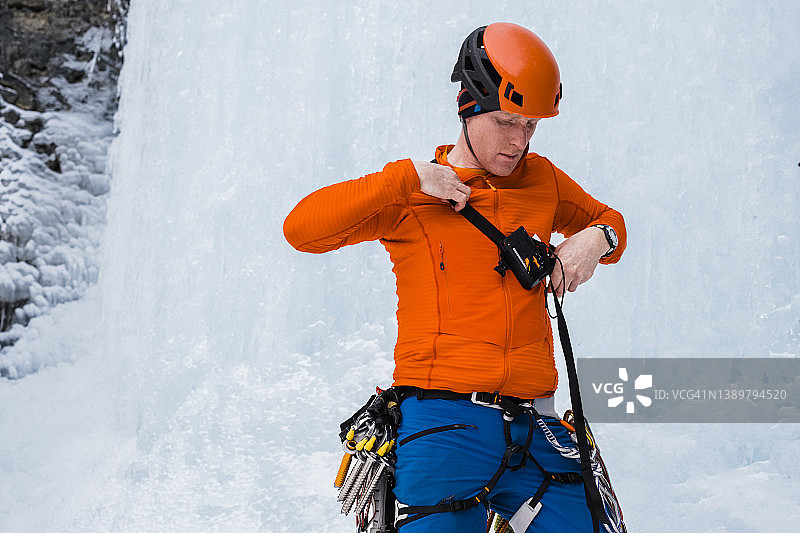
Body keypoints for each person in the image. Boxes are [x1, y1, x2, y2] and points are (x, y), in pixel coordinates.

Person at [284, 22, 626, 533]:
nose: (520, 141)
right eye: (507, 121)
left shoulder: (544, 180)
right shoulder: (410, 196)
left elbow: (614, 226)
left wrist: (596, 238)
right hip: (442, 422)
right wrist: (407, 178)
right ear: (468, 106)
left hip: (538, 425)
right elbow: (301, 230)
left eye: (531, 125)